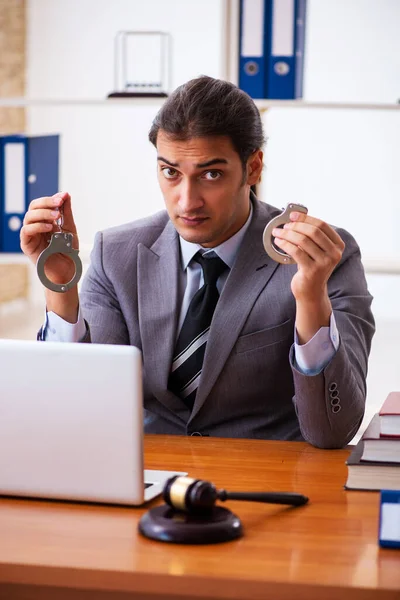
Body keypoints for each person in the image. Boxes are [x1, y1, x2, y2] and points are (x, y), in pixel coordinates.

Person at [20, 75, 375, 448]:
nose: (187, 201)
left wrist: (311, 298)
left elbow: (333, 432)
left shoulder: (325, 257)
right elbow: (79, 409)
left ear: (253, 169)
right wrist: (59, 285)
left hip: (267, 481)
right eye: (170, 172)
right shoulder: (116, 254)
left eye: (211, 174)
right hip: (147, 479)